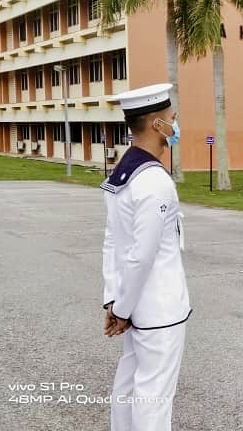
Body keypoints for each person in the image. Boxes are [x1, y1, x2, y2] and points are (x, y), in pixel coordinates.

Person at [101, 83, 191, 431]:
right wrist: (120, 307)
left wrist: (115, 300)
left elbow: (112, 243)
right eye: (172, 119)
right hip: (159, 309)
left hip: (134, 304)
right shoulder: (154, 181)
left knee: (128, 390)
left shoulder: (123, 171)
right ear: (157, 125)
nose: (175, 125)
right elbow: (141, 256)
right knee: (154, 399)